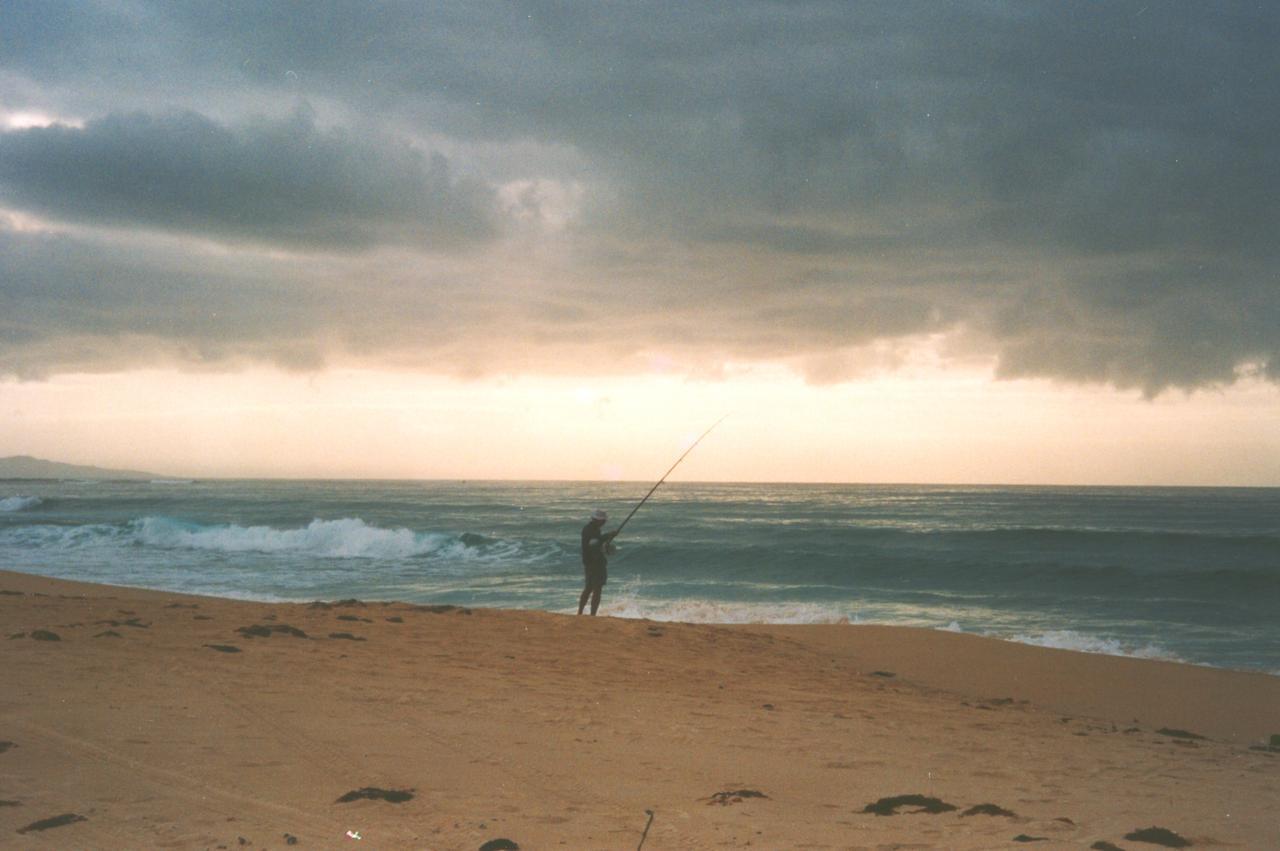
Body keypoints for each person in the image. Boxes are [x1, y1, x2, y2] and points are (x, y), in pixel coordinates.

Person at [578, 508, 616, 615]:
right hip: (595, 563)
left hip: (589, 562)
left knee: (589, 588)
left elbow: (596, 542)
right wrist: (608, 536)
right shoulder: (591, 530)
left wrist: (607, 538)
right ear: (598, 520)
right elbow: (594, 543)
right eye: (603, 520)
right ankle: (592, 615)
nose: (604, 522)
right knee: (597, 589)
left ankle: (580, 613)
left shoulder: (590, 529)